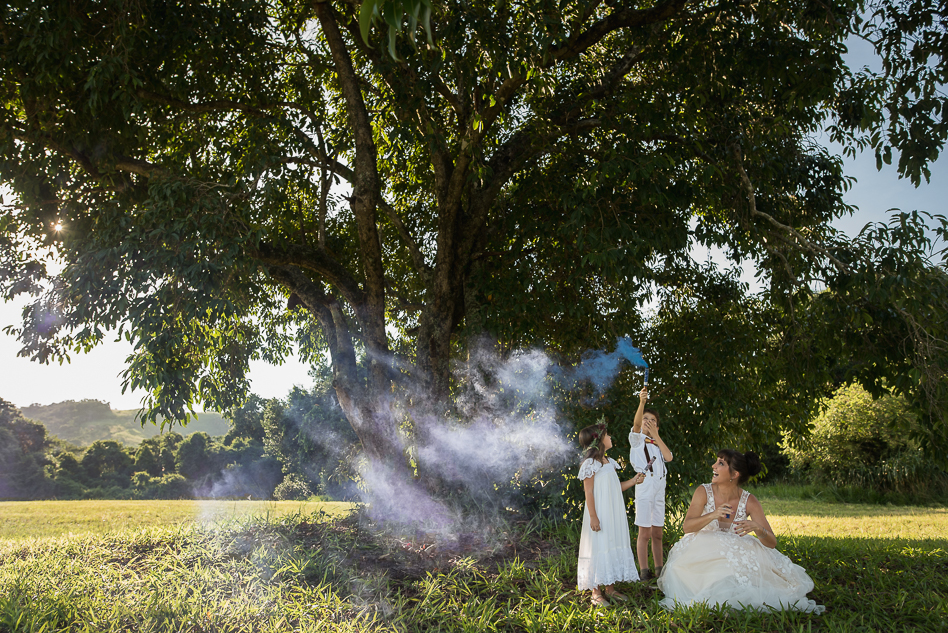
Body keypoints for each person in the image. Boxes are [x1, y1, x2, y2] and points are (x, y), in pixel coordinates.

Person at [658, 449, 824, 613]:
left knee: (752, 580)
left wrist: (758, 529)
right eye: (716, 461)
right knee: (685, 571)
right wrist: (713, 514)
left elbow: (772, 543)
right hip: (702, 550)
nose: (713, 466)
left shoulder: (749, 501)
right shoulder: (703, 491)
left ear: (734, 474)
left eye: (720, 463)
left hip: (734, 552)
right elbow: (688, 527)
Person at [577, 420, 646, 606]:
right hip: (599, 511)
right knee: (599, 545)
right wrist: (593, 516)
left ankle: (610, 588)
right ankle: (595, 591)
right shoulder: (590, 463)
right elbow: (589, 491)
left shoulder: (608, 461)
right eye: (607, 435)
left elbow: (615, 488)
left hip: (613, 511)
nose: (610, 437)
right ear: (598, 440)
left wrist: (633, 481)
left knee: (611, 542)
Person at [628, 386, 673, 581]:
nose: (648, 422)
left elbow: (669, 457)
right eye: (646, 419)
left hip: (659, 488)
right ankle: (644, 571)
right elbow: (637, 424)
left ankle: (659, 569)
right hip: (645, 487)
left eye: (653, 420)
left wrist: (656, 435)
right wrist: (642, 403)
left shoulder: (656, 441)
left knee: (657, 532)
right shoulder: (637, 440)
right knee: (644, 532)